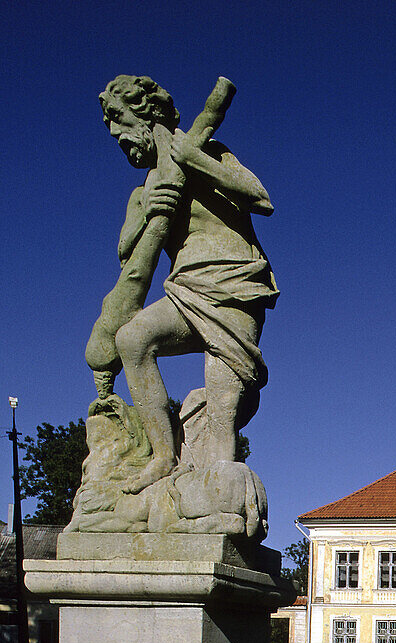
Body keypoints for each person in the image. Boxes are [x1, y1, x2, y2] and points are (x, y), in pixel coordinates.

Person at [92, 75, 277, 492]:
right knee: (133, 339)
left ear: (147, 114)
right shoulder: (144, 190)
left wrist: (196, 160)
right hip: (184, 287)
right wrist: (147, 212)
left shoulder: (207, 152)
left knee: (221, 408)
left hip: (234, 284)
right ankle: (162, 457)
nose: (118, 137)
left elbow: (261, 198)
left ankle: (220, 496)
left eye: (120, 122)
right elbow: (127, 254)